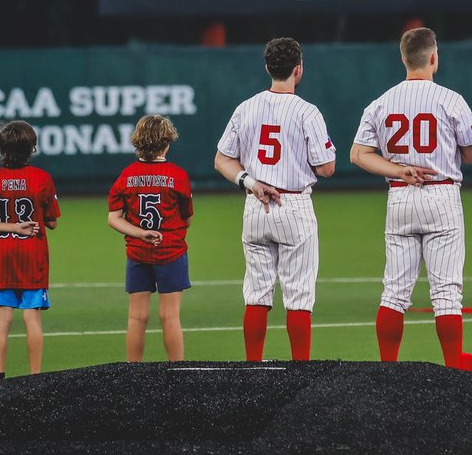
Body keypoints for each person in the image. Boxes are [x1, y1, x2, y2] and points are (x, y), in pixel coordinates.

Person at [350, 27, 472, 372]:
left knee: (394, 291)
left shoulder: (381, 102)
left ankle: (387, 371)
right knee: (446, 293)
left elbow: (358, 154)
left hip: (400, 196)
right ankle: (454, 366)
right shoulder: (450, 99)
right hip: (441, 194)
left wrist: (397, 169)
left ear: (403, 59)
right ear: (434, 57)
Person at [213, 36, 336, 361]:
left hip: (255, 202)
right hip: (293, 205)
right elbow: (326, 168)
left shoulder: (246, 107)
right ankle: (300, 372)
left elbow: (222, 160)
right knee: (298, 296)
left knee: (256, 293)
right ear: (298, 70)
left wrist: (249, 181)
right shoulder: (307, 112)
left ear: (268, 67)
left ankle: (253, 367)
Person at [0, 120, 60, 379]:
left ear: (2, 148)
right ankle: (35, 376)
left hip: (1, 256)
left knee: (3, 318)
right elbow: (53, 222)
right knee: (31, 318)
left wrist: (8, 225)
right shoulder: (42, 178)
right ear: (31, 147)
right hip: (32, 256)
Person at [107, 114, 194, 362]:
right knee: (170, 316)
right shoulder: (177, 175)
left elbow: (113, 218)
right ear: (166, 142)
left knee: (136, 316)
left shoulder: (127, 175)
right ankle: (177, 372)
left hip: (137, 253)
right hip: (171, 252)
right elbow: (187, 219)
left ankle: (134, 372)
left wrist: (140, 233)